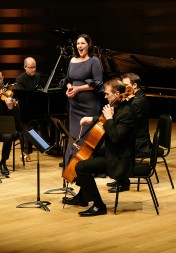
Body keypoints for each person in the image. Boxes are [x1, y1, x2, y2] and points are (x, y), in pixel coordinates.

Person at [62, 78, 137, 216]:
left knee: (81, 167)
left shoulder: (127, 113)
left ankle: (99, 205)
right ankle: (82, 197)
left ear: (117, 94)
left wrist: (109, 119)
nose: (105, 96)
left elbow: (115, 137)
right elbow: (103, 119)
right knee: (88, 156)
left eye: (107, 93)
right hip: (112, 153)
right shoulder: (118, 107)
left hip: (120, 159)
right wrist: (91, 118)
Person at [60, 34, 103, 166]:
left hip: (89, 104)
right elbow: (67, 79)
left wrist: (78, 89)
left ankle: (88, 167)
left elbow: (98, 83)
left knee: (86, 136)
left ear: (88, 45)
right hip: (74, 104)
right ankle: (71, 166)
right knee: (73, 135)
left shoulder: (94, 60)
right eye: (78, 43)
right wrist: (69, 87)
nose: (80, 46)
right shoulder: (72, 60)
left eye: (83, 43)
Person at [106, 72, 151, 188]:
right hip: (134, 137)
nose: (123, 88)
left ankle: (121, 177)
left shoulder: (137, 102)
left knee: (114, 143)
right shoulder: (133, 99)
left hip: (138, 142)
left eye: (125, 85)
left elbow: (122, 120)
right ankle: (120, 177)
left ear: (134, 86)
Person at [14, 57, 52, 159]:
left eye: (34, 67)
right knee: (27, 123)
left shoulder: (39, 76)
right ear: (25, 67)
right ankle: (27, 151)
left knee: (48, 120)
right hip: (27, 108)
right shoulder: (20, 79)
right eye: (30, 67)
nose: (33, 69)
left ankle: (48, 145)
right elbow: (22, 96)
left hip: (39, 107)